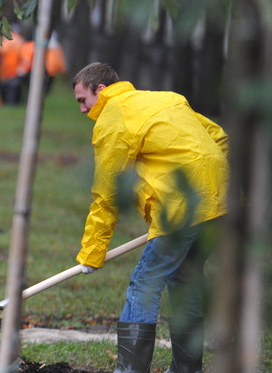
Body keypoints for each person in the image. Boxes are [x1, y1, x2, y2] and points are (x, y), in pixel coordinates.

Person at [71, 63, 228, 373]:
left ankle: (129, 370)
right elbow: (219, 137)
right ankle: (187, 369)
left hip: (183, 208)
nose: (82, 109)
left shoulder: (114, 116)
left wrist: (92, 251)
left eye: (82, 100)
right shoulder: (167, 99)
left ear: (100, 90)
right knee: (185, 280)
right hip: (220, 202)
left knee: (145, 282)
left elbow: (107, 191)